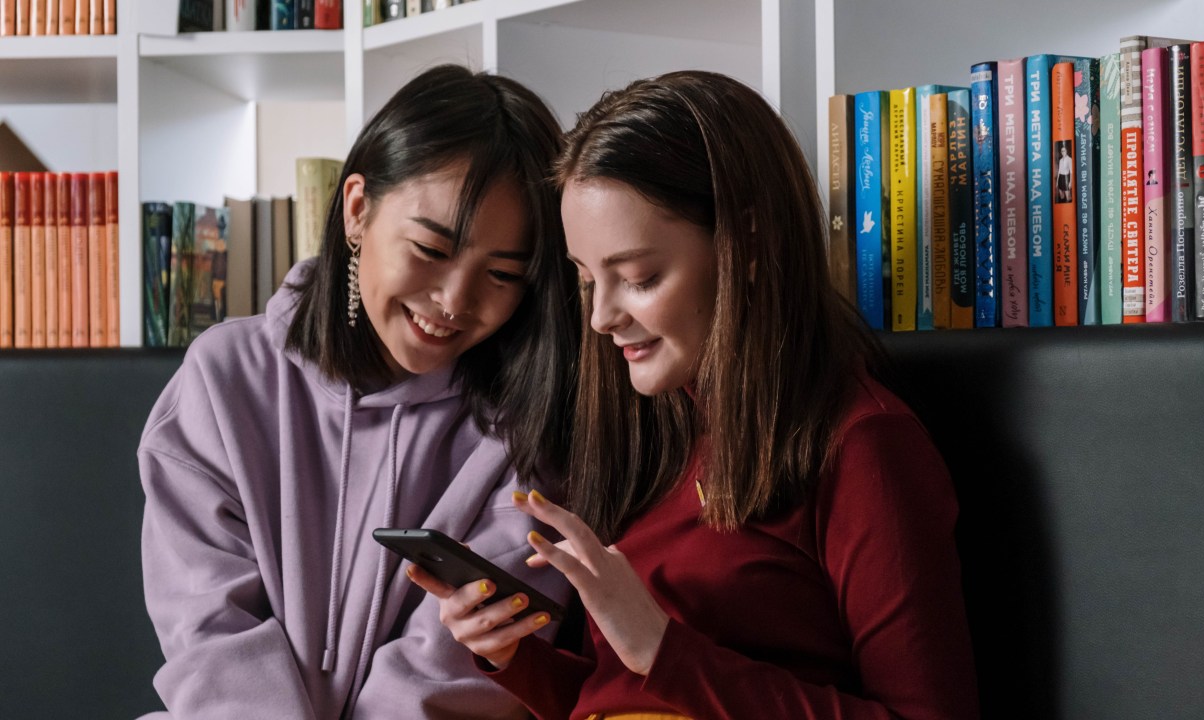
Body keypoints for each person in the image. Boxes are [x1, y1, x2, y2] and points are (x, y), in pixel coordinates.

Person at [410, 71, 980, 719]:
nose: (601, 319)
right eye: (588, 280)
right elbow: (629, 694)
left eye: (640, 277)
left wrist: (661, 649)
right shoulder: (651, 433)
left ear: (752, 246)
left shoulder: (861, 446)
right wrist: (516, 658)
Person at [138, 64, 579, 719]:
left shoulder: (530, 426)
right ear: (356, 209)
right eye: (430, 249)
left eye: (502, 276)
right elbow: (210, 637)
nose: (455, 301)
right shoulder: (222, 382)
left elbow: (459, 677)